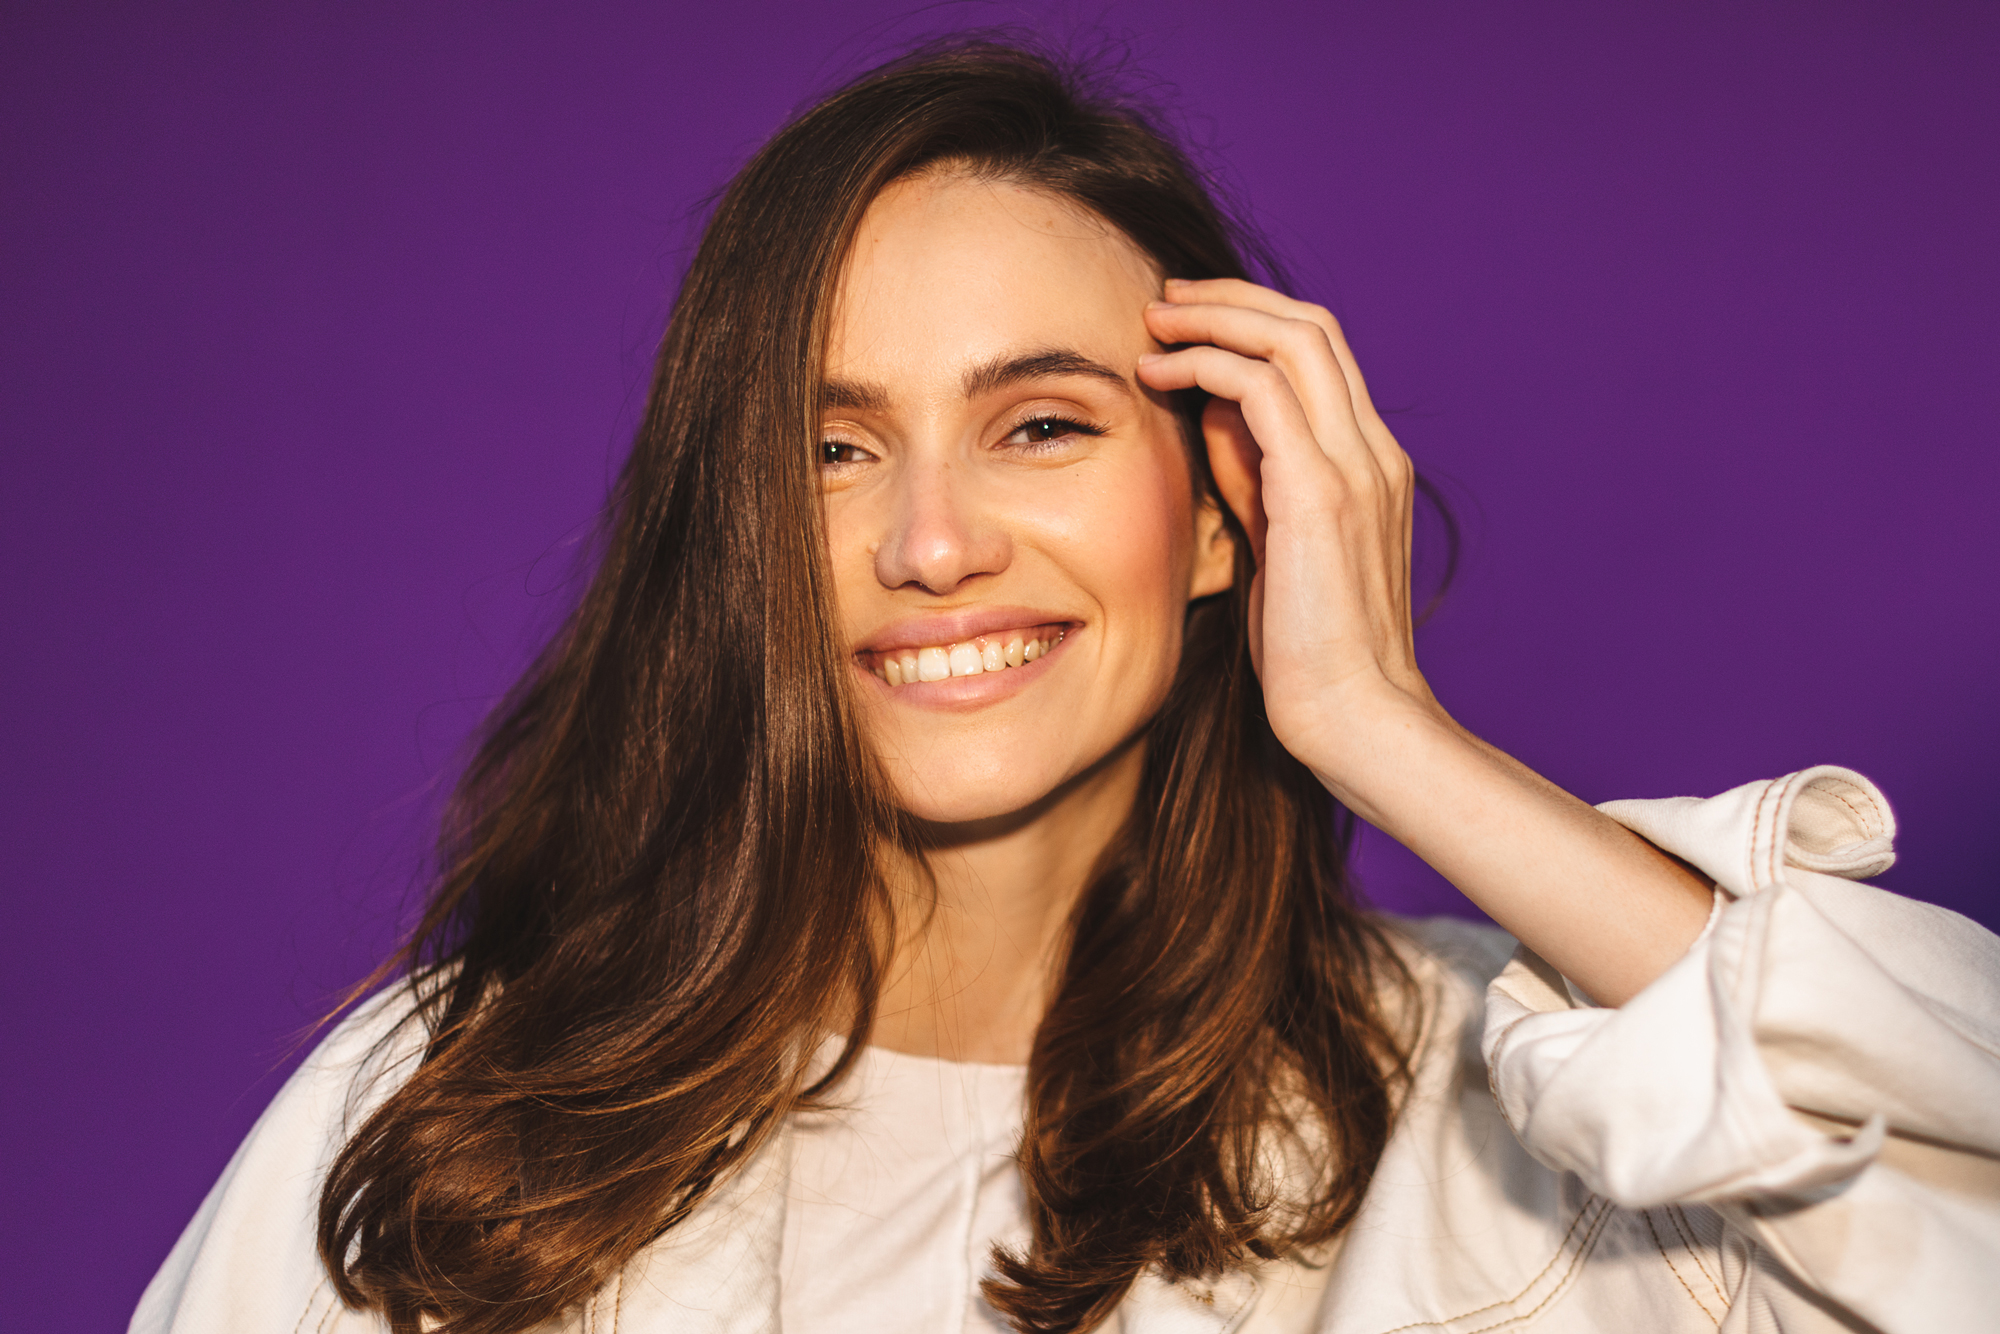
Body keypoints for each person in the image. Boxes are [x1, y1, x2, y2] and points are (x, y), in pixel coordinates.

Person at [132, 39, 2000, 1334]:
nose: (932, 543)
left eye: (1039, 423)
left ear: (1222, 505)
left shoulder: (1512, 1107)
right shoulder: (467, 1107)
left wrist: (1388, 735)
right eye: (834, 447)